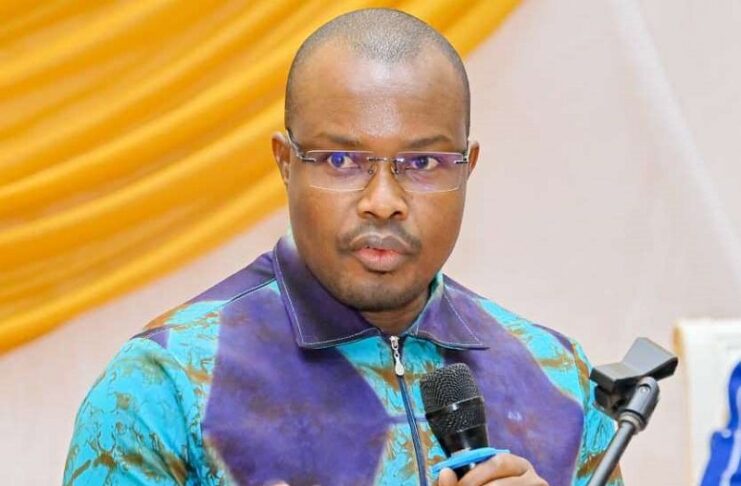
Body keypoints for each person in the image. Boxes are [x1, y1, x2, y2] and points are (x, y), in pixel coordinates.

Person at [64, 8, 623, 486]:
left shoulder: (561, 383)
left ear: (467, 168)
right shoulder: (165, 384)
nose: (383, 201)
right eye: (341, 160)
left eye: (422, 162)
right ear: (286, 163)